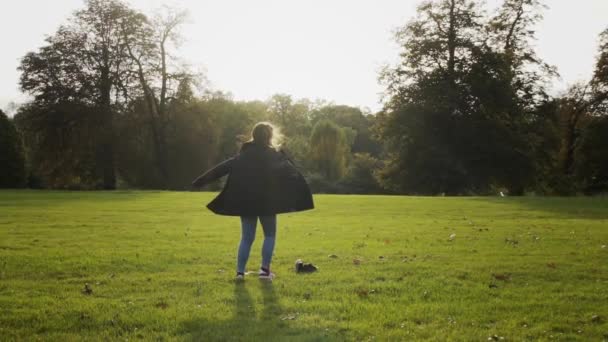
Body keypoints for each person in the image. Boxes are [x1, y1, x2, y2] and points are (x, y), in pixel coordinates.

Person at [192, 122, 314, 280]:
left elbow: (221, 168)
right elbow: (293, 174)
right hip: (268, 203)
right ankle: (264, 272)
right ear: (269, 137)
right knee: (269, 235)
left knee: (246, 238)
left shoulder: (243, 155)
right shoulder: (275, 155)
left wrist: (198, 182)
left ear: (253, 135)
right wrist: (301, 194)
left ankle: (240, 273)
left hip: (247, 202)